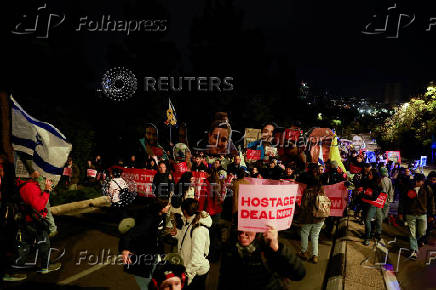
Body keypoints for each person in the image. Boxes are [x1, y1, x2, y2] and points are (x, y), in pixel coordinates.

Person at [219, 225, 305, 289]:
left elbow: (299, 274)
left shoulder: (268, 246)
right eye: (241, 226)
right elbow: (224, 280)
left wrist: (277, 248)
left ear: (257, 230)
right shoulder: (230, 248)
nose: (243, 233)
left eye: (248, 227)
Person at [119, 196, 172, 290]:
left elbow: (157, 235)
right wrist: (125, 249)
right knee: (147, 285)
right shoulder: (147, 220)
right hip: (142, 259)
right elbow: (129, 234)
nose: (169, 206)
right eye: (168, 205)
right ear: (161, 207)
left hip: (155, 255)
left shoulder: (161, 215)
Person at [172, 198, 212, 289]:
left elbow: (197, 259)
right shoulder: (190, 222)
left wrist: (187, 277)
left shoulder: (198, 230)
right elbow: (187, 239)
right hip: (189, 269)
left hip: (196, 274)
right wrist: (177, 233)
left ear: (184, 211)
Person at [398, 173, 435, 260]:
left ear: (423, 181)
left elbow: (431, 202)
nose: (419, 183)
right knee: (412, 233)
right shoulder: (408, 188)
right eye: (417, 181)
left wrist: (432, 214)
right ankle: (413, 250)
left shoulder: (427, 189)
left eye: (420, 181)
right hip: (410, 214)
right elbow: (402, 201)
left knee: (422, 232)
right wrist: (400, 213)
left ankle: (414, 242)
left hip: (422, 214)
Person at [297, 177, 328, 263]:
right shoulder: (322, 193)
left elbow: (304, 206)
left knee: (304, 233)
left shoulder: (307, 192)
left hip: (309, 218)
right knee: (315, 236)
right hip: (320, 218)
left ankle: (303, 252)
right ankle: (315, 255)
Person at [360, 169, 382, 246]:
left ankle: (367, 238)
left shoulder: (376, 184)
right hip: (365, 203)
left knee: (367, 220)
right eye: (368, 174)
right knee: (366, 219)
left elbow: (374, 197)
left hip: (372, 205)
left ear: (374, 176)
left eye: (370, 174)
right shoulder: (368, 181)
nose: (368, 175)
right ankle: (368, 234)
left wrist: (363, 195)